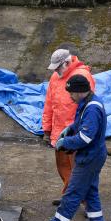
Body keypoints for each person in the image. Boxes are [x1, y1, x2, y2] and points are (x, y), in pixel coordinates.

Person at [31, 74, 107, 221]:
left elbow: (85, 138)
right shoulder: (87, 102)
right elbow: (81, 124)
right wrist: (70, 128)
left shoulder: (92, 107)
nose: (70, 96)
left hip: (89, 158)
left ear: (80, 91)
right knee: (90, 193)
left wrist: (66, 142)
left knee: (72, 194)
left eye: (71, 93)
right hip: (94, 156)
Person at [42, 48, 96, 205]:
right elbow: (49, 103)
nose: (57, 71)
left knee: (79, 170)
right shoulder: (55, 77)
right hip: (59, 132)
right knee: (64, 168)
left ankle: (87, 204)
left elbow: (88, 107)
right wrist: (47, 129)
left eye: (59, 67)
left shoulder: (83, 76)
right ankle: (69, 195)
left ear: (67, 62)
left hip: (76, 133)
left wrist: (83, 132)